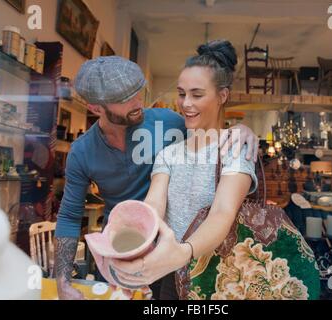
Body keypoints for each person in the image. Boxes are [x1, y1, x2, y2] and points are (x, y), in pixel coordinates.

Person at [54, 55, 259, 300]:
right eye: (124, 99)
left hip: (178, 248)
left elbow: (210, 132)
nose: (138, 102)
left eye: (138, 92)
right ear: (96, 108)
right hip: (124, 249)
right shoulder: (81, 151)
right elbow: (69, 216)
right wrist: (63, 281)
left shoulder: (169, 122)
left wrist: (240, 129)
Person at [109, 40, 258, 299]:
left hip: (217, 275)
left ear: (222, 96)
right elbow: (154, 205)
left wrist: (184, 252)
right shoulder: (168, 154)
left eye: (197, 94)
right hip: (167, 272)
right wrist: (130, 243)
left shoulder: (235, 149)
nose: (185, 103)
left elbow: (223, 212)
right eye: (181, 93)